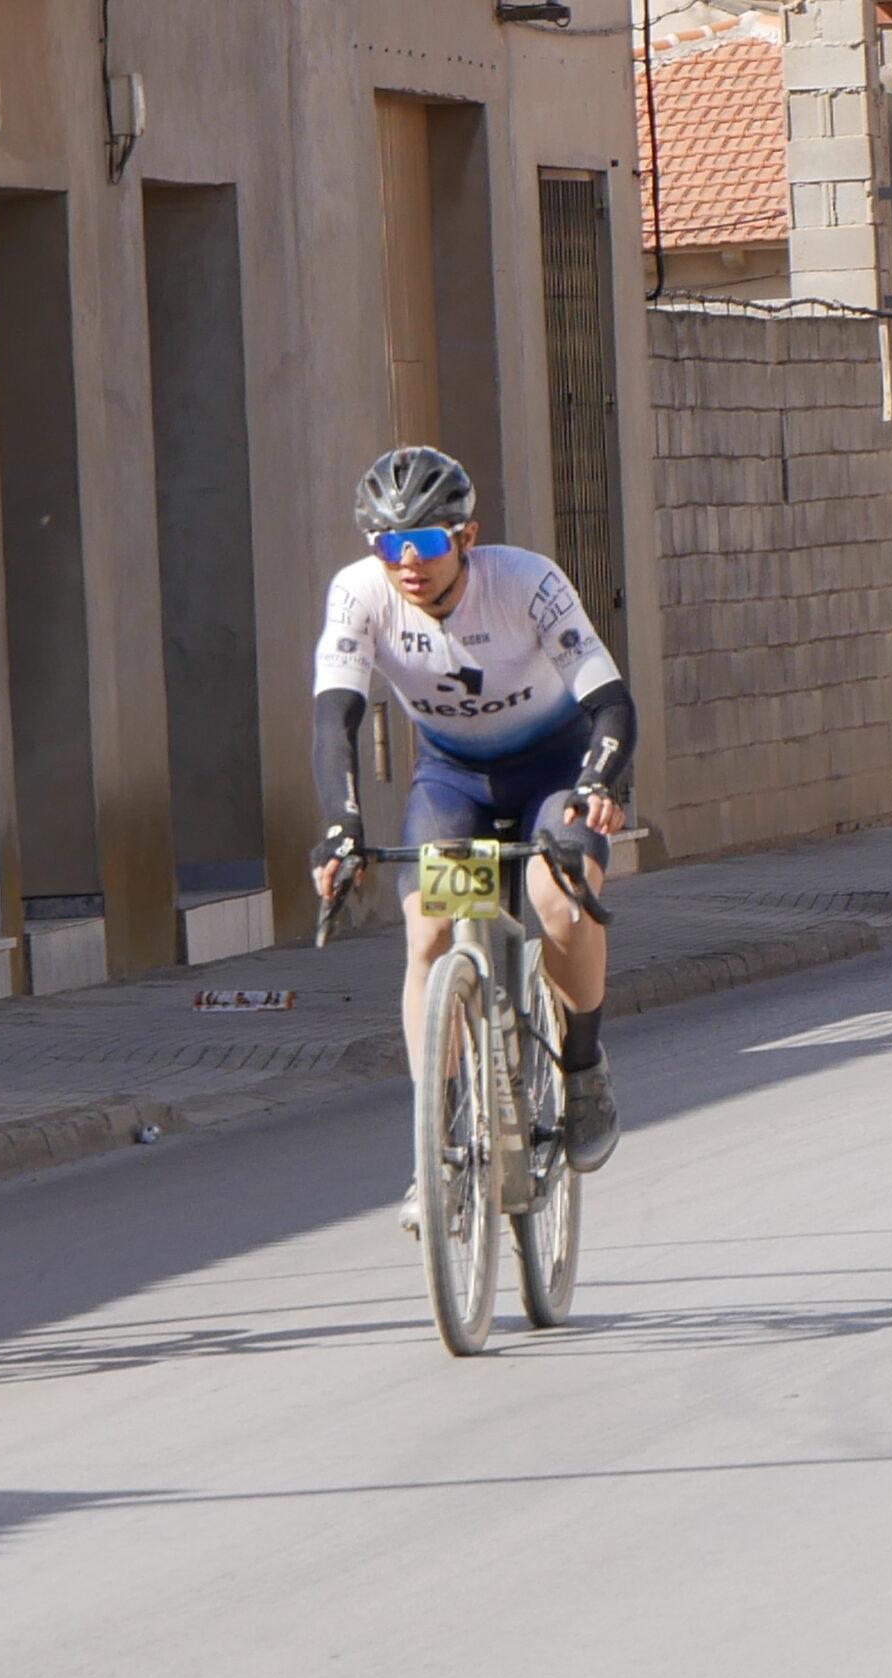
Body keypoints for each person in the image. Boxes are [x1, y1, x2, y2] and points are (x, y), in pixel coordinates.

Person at [309, 446, 635, 1232]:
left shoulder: (526, 582)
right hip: (454, 781)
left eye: (424, 542)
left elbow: (611, 702)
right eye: (389, 544)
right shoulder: (359, 595)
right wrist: (340, 826)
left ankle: (582, 1067)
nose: (406, 563)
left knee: (558, 904)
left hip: (554, 770)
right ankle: (439, 1148)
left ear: (466, 537)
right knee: (428, 932)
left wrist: (598, 783)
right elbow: (333, 718)